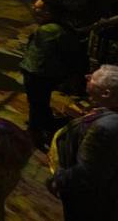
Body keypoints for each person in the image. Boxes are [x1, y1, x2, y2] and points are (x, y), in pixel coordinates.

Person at [48, 64, 118, 221]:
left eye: (94, 77)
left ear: (106, 93)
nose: (87, 76)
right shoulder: (108, 113)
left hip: (89, 202)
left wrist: (58, 180)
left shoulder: (105, 128)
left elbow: (86, 173)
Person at [20, 0, 85, 146]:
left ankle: (35, 133)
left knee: (37, 104)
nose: (34, 10)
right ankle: (44, 124)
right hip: (44, 73)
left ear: (48, 12)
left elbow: (38, 57)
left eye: (38, 8)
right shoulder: (59, 28)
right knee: (40, 103)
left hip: (39, 74)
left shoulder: (48, 30)